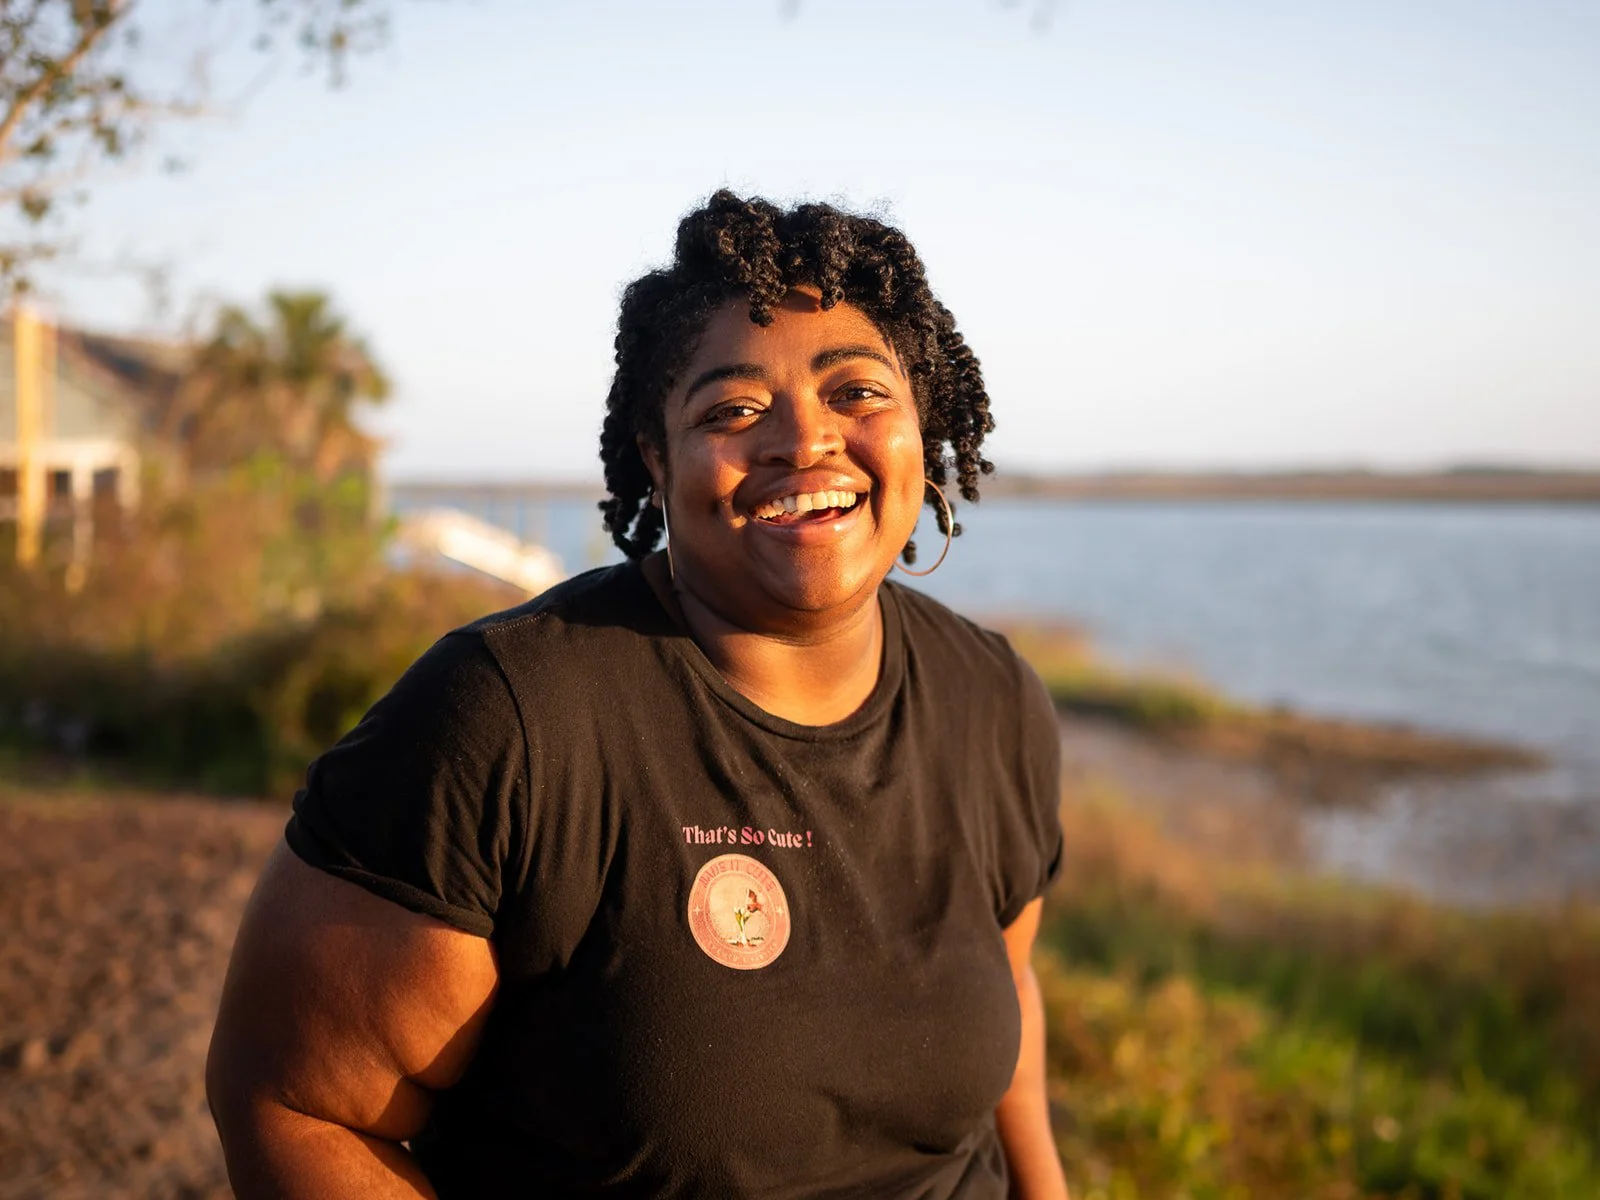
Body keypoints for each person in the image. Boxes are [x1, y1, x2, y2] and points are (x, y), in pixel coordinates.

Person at [207, 190, 1069, 1199]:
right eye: (733, 410)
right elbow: (290, 1103)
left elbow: (1007, 993)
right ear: (657, 456)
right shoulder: (510, 719)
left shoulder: (994, 701)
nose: (803, 440)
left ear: (923, 425)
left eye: (857, 392)